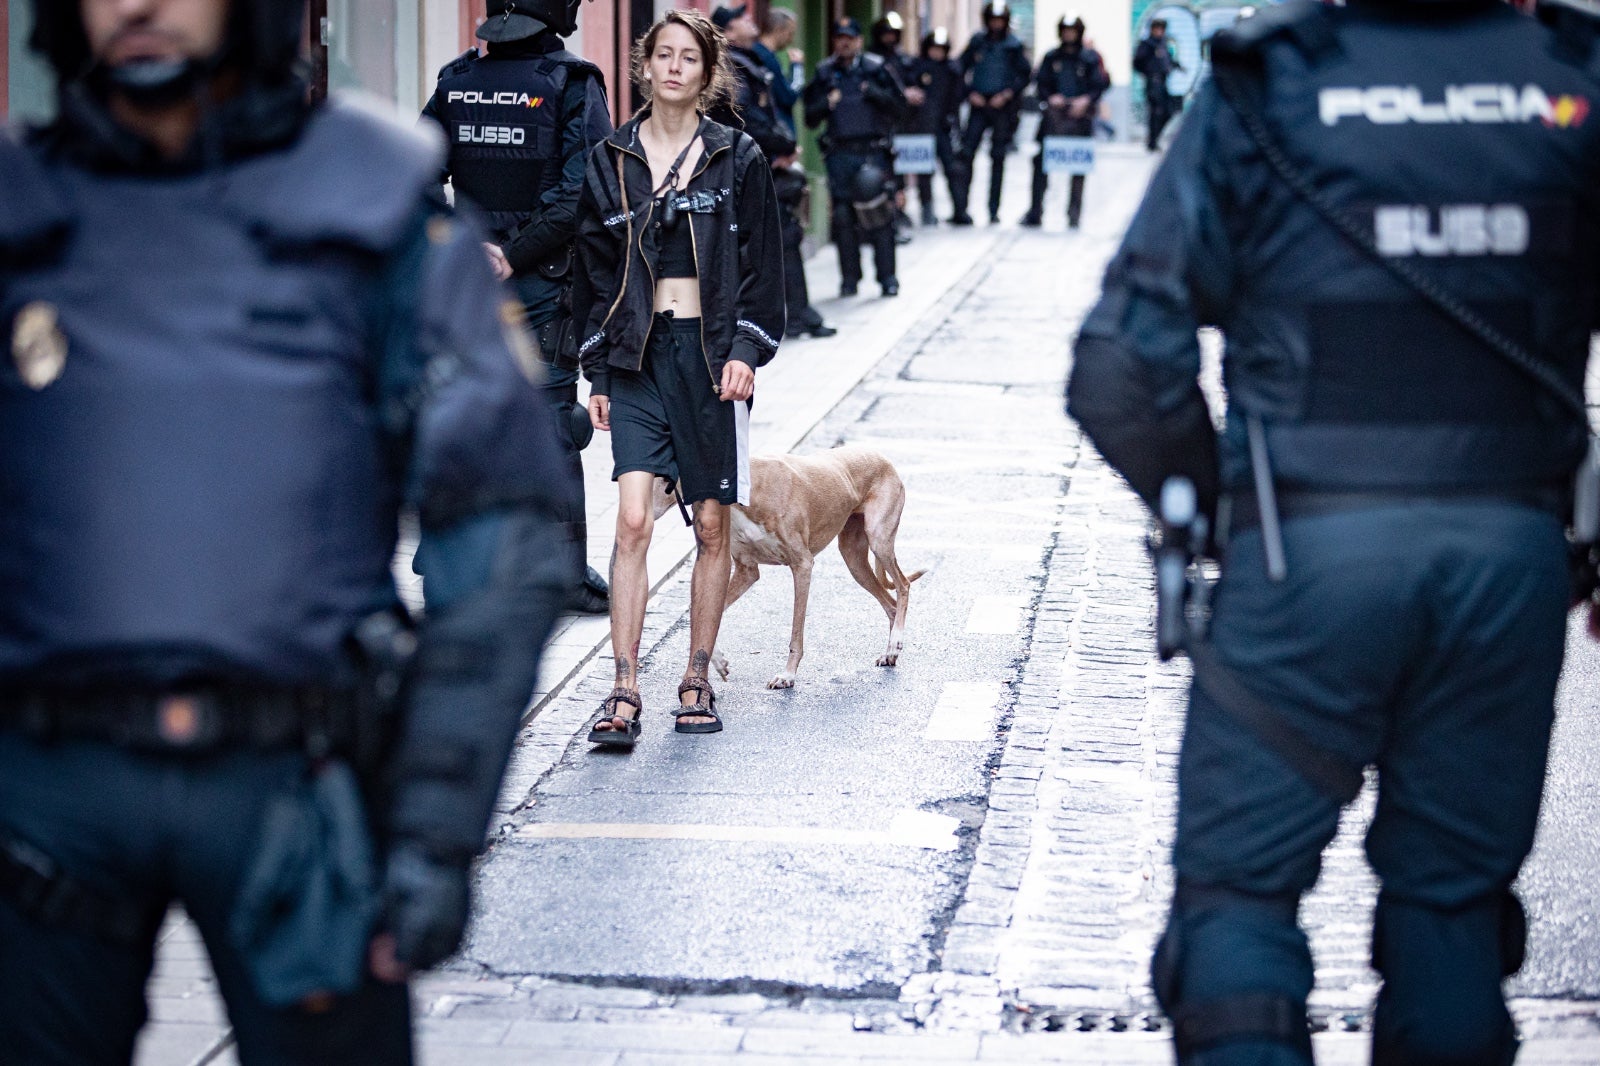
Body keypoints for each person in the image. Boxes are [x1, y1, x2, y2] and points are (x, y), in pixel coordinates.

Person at [0, 0, 577, 1062]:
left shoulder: (370, 213)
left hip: (293, 792)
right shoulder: (20, 218)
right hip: (43, 801)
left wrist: (430, 833)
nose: (137, 4)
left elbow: (504, 529)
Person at [1067, 2, 1600, 1063]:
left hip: (1303, 561)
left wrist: (1217, 508)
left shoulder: (1272, 81)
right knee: (1452, 912)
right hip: (1510, 562)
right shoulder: (1572, 80)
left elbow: (1121, 366)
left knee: (1237, 909)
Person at [574, 9, 786, 745]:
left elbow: (765, 269)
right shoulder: (612, 158)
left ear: (705, 72)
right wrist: (597, 368)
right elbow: (593, 274)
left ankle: (696, 674)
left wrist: (745, 352)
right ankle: (623, 686)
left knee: (711, 521)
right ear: (643, 67)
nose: (672, 67)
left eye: (687, 58)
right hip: (637, 355)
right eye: (661, 55)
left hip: (709, 357)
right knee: (633, 520)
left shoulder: (738, 157)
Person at [422, 0, 613, 617]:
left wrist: (462, 242)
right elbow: (583, 190)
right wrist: (511, 252)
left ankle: (450, 557)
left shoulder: (456, 81)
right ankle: (563, 574)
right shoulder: (573, 83)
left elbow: (418, 176)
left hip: (465, 282)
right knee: (555, 423)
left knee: (456, 411)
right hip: (542, 282)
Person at [803, 16, 909, 297]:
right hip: (840, 155)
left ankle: (887, 278)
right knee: (843, 218)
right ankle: (849, 280)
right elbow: (810, 118)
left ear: (859, 41)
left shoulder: (876, 69)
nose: (844, 42)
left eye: (849, 37)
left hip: (873, 154)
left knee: (880, 216)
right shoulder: (825, 73)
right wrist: (827, 103)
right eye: (839, 37)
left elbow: (901, 108)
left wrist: (873, 93)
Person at [1021, 14, 1107, 230]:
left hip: (1080, 120)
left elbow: (1100, 84)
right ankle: (1035, 211)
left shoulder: (1089, 58)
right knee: (1040, 163)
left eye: (1073, 31)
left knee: (1078, 169)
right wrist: (1051, 98)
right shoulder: (1051, 57)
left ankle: (1074, 213)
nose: (1069, 35)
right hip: (1053, 120)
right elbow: (1041, 84)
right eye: (1066, 31)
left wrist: (1085, 101)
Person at [953, 0, 1031, 225]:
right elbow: (960, 67)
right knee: (967, 154)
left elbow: (1024, 75)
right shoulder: (978, 42)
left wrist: (1007, 94)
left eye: (1000, 20)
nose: (996, 24)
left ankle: (993, 210)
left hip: (1002, 109)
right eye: (992, 20)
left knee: (998, 158)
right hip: (979, 105)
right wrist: (970, 93)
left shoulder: (1014, 45)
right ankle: (962, 208)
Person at [906, 27, 963, 227]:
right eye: (933, 48)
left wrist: (954, 122)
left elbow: (957, 97)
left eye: (940, 49)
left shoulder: (952, 70)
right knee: (924, 170)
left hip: (943, 126)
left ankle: (960, 210)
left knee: (952, 167)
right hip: (922, 126)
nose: (936, 53)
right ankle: (927, 210)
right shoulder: (917, 67)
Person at [868, 12, 917, 243]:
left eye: (892, 33)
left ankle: (897, 217)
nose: (889, 38)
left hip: (900, 123)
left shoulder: (902, 59)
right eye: (885, 33)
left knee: (897, 177)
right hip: (876, 125)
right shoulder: (870, 61)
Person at [753, 7, 806, 135]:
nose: (791, 40)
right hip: (772, 134)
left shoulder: (760, 54)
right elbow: (788, 97)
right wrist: (797, 67)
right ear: (779, 30)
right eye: (790, 33)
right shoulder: (767, 58)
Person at [1133, 18, 1182, 152]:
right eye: (1157, 28)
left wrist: (1176, 66)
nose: (1159, 31)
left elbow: (1168, 60)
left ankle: (1154, 137)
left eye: (1162, 29)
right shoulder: (1147, 44)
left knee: (1168, 111)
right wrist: (1149, 72)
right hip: (1153, 83)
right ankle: (1152, 141)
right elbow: (1137, 62)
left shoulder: (1163, 44)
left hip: (1163, 82)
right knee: (1156, 112)